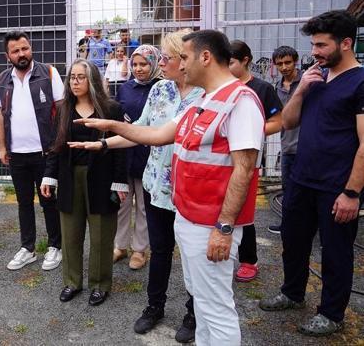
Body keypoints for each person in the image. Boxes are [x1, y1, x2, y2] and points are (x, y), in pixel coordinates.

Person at [77, 30, 264, 345]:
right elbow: (157, 134)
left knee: (216, 309)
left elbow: (244, 169)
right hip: (188, 218)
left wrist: (224, 227)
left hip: (211, 224)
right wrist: (110, 130)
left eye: (184, 58)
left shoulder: (240, 101)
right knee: (205, 304)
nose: (179, 64)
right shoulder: (205, 100)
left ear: (205, 57)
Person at [70, 29, 203, 343]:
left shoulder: (206, 95)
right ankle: (154, 306)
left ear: (184, 60)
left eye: (167, 58)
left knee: (193, 258)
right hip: (157, 184)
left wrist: (110, 129)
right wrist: (104, 145)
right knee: (160, 250)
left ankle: (193, 313)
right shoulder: (161, 91)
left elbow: (162, 134)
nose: (163, 63)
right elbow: (139, 128)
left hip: (189, 190)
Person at [259, 10, 363, 337]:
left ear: (345, 43)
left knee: (334, 252)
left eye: (321, 44)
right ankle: (292, 293)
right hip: (302, 178)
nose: (314, 51)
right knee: (294, 241)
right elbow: (288, 123)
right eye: (313, 44)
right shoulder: (315, 78)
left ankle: (332, 314)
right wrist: (301, 89)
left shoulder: (360, 82)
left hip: (337, 185)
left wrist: (351, 193)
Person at [39, 58, 128, 306]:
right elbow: (56, 146)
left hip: (102, 177)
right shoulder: (63, 108)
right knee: (70, 233)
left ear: (93, 80)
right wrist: (50, 175)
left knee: (101, 234)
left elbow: (121, 148)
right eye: (72, 77)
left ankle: (100, 284)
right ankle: (72, 282)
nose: (75, 82)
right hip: (70, 177)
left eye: (81, 77)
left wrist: (120, 182)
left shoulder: (111, 109)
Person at [0, 31, 64, 271]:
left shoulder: (49, 73)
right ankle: (28, 248)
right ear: (8, 55)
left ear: (30, 48)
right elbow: (1, 116)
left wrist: (58, 148)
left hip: (45, 152)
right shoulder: (3, 79)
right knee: (24, 202)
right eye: (15, 51)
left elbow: (62, 111)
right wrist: (2, 146)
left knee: (49, 201)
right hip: (17, 154)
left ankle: (56, 246)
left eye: (25, 48)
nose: (21, 54)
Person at [228, 40, 283, 282]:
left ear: (245, 60)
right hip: (220, 162)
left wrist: (250, 131)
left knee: (244, 211)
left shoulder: (262, 89)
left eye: (230, 62)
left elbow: (278, 121)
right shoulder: (220, 88)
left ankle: (249, 260)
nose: (226, 67)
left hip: (249, 160)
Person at [112, 45, 162, 270]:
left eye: (144, 64)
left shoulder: (161, 88)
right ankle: (119, 245)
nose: (139, 69)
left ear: (154, 64)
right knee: (122, 202)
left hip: (148, 155)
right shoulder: (125, 88)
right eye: (135, 64)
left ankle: (140, 249)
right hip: (123, 154)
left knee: (143, 205)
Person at [267, 45, 301, 234]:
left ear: (295, 61)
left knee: (309, 190)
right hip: (287, 145)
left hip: (308, 145)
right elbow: (274, 112)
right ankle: (287, 226)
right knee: (288, 188)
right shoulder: (277, 88)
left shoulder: (307, 82)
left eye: (287, 62)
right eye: (279, 64)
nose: (284, 67)